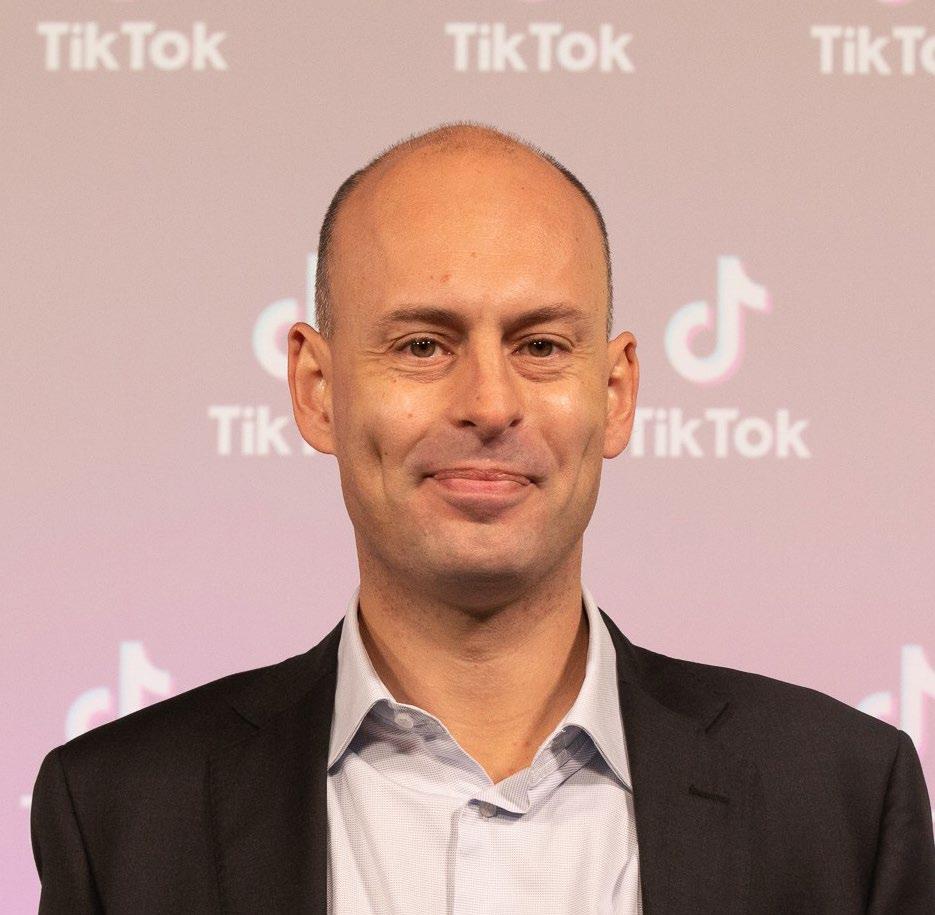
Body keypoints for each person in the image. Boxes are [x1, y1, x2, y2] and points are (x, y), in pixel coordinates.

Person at [31, 122, 934, 914]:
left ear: (615, 393)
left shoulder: (843, 800)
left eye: (540, 345)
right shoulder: (120, 812)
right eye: (423, 344)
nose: (490, 404)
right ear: (316, 388)